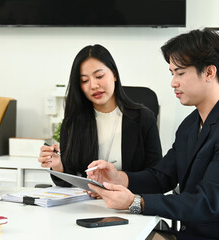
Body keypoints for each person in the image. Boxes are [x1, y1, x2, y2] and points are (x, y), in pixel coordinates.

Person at [87, 29, 219, 239]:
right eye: (172, 73)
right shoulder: (191, 123)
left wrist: (135, 202)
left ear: (209, 73)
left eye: (180, 73)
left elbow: (206, 203)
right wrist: (119, 178)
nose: (173, 82)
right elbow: (162, 177)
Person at [38, 44, 162, 187]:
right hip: (86, 205)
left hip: (128, 204)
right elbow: (70, 179)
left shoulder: (143, 118)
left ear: (114, 75)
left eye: (99, 76)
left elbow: (156, 177)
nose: (93, 85)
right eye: (84, 81)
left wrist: (118, 182)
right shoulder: (73, 121)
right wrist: (58, 165)